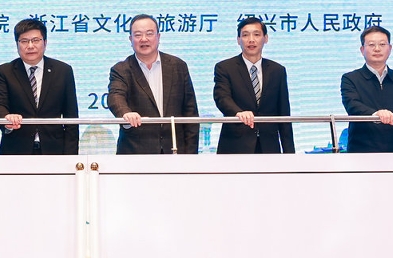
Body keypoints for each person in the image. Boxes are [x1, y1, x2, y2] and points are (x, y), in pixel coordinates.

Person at [107, 14, 199, 154]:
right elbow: (115, 96)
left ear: (158, 37)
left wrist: (191, 154)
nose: (144, 39)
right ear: (130, 39)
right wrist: (126, 113)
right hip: (135, 151)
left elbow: (190, 112)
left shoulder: (178, 66)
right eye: (138, 35)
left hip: (175, 149)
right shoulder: (121, 69)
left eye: (149, 34)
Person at [0, 18, 79, 155]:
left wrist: (71, 156)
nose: (30, 46)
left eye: (36, 40)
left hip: (54, 150)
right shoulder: (5, 72)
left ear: (45, 42)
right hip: (16, 150)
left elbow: (71, 117)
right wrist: (6, 118)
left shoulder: (63, 71)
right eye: (24, 41)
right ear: (17, 44)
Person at [213, 16, 295, 154]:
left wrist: (289, 153)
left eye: (256, 34)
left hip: (269, 146)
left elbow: (284, 113)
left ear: (265, 38)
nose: (251, 40)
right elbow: (222, 98)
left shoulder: (277, 70)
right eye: (245, 35)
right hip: (235, 145)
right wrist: (238, 112)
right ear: (238, 40)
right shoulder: (225, 68)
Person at [340, 26, 393, 153]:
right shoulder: (350, 78)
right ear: (362, 50)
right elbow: (352, 106)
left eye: (382, 44)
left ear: (390, 49)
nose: (377, 49)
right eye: (371, 45)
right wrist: (376, 114)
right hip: (360, 152)